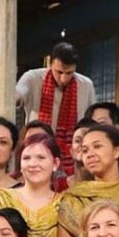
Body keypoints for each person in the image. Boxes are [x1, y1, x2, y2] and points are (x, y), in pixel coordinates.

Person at [16, 42, 96, 175]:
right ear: (49, 63)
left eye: (69, 73)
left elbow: (91, 123)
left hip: (73, 159)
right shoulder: (33, 78)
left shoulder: (86, 85)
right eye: (59, 72)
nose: (63, 79)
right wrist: (6, 77)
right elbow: (16, 96)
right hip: (36, 153)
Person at [70, 116, 96, 183]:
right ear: (71, 150)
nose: (83, 145)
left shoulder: (107, 185)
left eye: (88, 140)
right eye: (78, 141)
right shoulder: (58, 184)